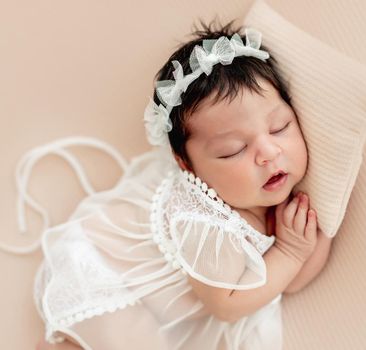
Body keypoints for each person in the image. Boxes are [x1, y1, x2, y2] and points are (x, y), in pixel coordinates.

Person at [3, 19, 333, 350]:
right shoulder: (202, 220)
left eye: (280, 127)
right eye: (234, 150)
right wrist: (290, 252)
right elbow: (227, 305)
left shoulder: (259, 197)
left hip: (155, 305)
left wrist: (313, 241)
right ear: (188, 166)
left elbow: (280, 284)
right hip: (116, 282)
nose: (268, 152)